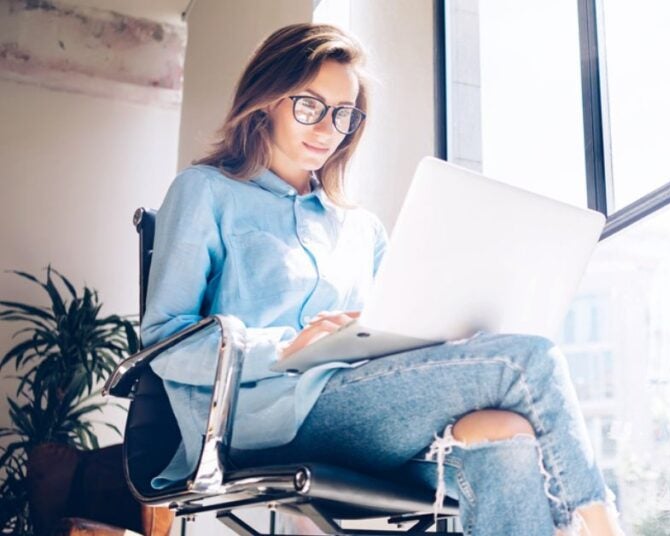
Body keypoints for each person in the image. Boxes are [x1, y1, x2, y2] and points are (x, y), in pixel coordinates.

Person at [142, 23, 623, 536]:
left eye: (343, 115)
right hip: (260, 421)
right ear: (267, 100)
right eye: (309, 105)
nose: (327, 128)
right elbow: (164, 341)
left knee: (505, 433)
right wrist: (282, 348)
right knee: (527, 358)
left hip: (359, 417)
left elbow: (386, 337)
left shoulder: (360, 229)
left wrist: (431, 338)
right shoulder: (206, 192)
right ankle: (606, 526)